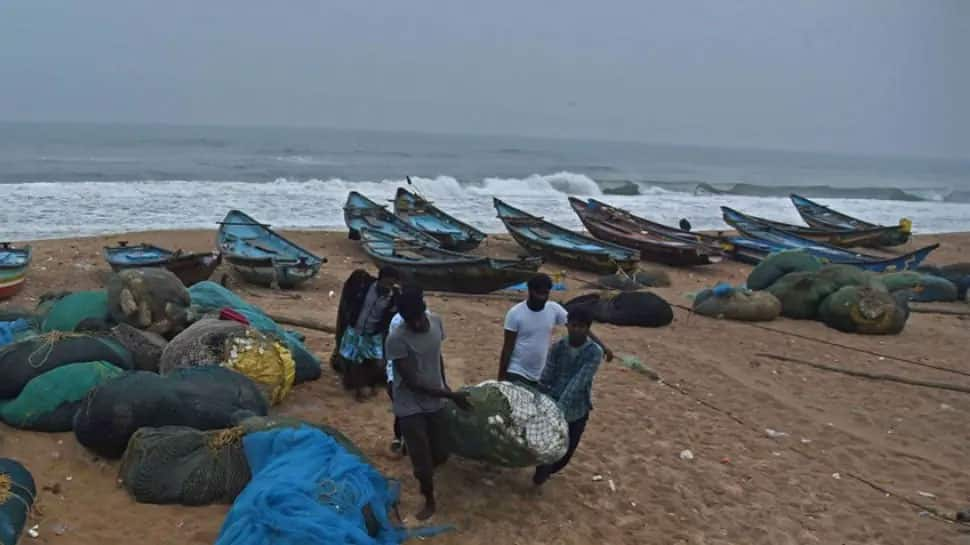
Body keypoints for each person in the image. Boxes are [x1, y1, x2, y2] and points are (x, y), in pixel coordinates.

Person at [385, 290, 470, 521]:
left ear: (425, 310)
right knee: (421, 456)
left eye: (420, 316)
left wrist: (444, 385)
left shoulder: (436, 323)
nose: (418, 323)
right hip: (409, 404)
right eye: (411, 320)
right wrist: (450, 395)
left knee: (441, 451)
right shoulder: (396, 339)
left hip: (436, 398)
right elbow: (412, 383)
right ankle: (429, 497)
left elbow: (437, 356)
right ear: (403, 318)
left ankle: (424, 468)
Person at [498, 274, 612, 388]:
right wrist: (501, 380)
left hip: (539, 375)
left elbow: (579, 326)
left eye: (546, 293)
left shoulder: (553, 308)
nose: (542, 298)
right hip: (516, 371)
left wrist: (602, 346)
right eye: (539, 293)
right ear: (530, 291)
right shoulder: (515, 314)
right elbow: (507, 348)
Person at [533, 306, 603, 486]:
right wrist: (538, 395)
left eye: (581, 327)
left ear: (588, 329)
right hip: (552, 401)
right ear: (567, 325)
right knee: (547, 445)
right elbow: (547, 373)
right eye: (573, 325)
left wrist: (560, 409)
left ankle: (548, 470)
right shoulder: (558, 347)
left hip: (577, 408)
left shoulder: (594, 352)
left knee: (567, 452)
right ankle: (541, 471)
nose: (576, 330)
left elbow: (579, 382)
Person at [333, 267, 401, 401]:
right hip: (354, 331)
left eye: (392, 284)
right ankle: (359, 389)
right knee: (353, 360)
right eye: (387, 283)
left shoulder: (393, 298)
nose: (388, 287)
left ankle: (368, 384)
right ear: (380, 280)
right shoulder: (364, 287)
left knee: (375, 362)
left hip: (373, 334)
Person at [385, 286, 431, 456]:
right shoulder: (398, 323)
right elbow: (394, 357)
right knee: (403, 410)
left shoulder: (428, 318)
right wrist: (391, 378)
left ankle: (412, 442)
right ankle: (398, 438)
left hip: (422, 370)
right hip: (401, 373)